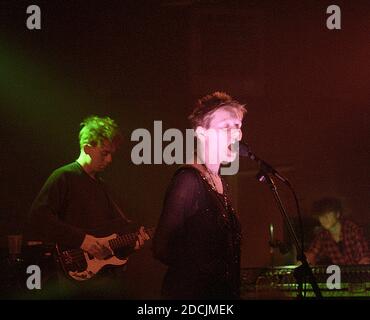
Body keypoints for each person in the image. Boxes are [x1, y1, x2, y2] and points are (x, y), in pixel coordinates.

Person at [28, 115, 149, 299]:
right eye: (104, 153)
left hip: (101, 280)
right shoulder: (64, 177)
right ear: (87, 148)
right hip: (73, 275)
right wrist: (82, 240)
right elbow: (38, 218)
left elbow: (112, 236)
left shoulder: (102, 186)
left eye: (111, 154)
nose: (109, 160)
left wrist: (131, 244)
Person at [152, 92, 247, 299]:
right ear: (202, 134)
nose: (236, 134)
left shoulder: (221, 182)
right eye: (226, 127)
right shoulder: (188, 180)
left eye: (238, 126)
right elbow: (160, 247)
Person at [305, 197, 370, 265]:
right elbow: (311, 255)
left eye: (328, 214)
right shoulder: (322, 236)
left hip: (358, 273)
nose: (324, 218)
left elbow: (364, 258)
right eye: (321, 216)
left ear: (337, 214)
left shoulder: (352, 229)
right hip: (340, 274)